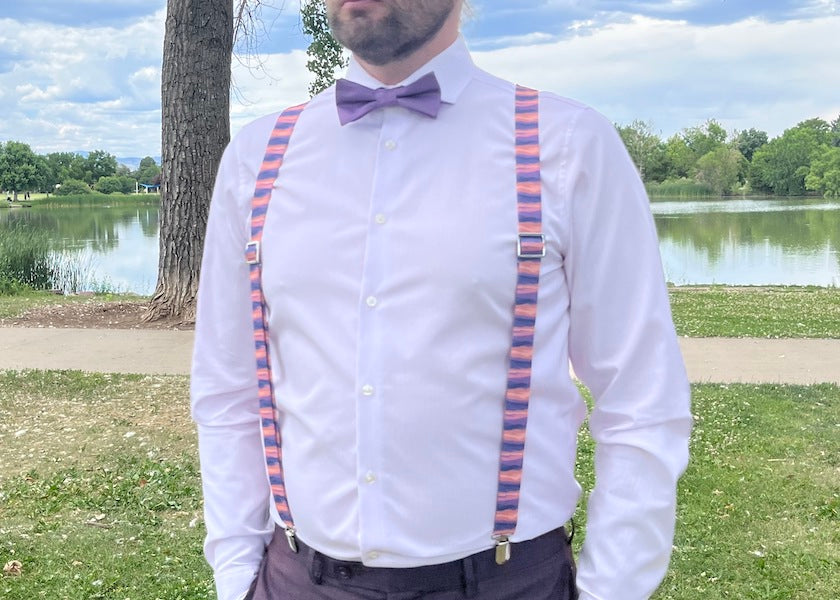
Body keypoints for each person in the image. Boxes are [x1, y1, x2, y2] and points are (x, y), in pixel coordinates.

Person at [191, 1, 692, 599]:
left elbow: (639, 396)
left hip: (506, 584)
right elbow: (229, 392)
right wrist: (235, 577)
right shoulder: (256, 157)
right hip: (297, 578)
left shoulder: (567, 145)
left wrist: (613, 589)